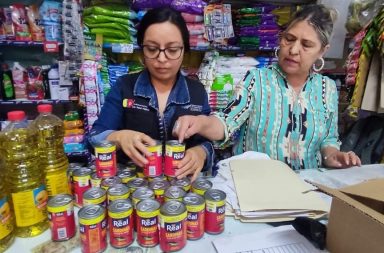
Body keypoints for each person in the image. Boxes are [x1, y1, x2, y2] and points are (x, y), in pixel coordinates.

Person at [173, 4, 361, 170]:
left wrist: (334, 156)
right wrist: (200, 123)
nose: (293, 50)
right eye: (289, 38)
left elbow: (328, 140)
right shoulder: (257, 80)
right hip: (256, 186)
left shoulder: (326, 88)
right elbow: (225, 123)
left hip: (306, 189)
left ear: (322, 51)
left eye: (306, 45)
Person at [89, 7, 214, 181]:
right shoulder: (124, 86)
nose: (162, 59)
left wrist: (202, 153)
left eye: (172, 50)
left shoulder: (197, 91)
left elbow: (209, 140)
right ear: (142, 50)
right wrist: (118, 137)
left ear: (184, 50)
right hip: (132, 186)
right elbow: (95, 136)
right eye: (152, 49)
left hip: (181, 187)